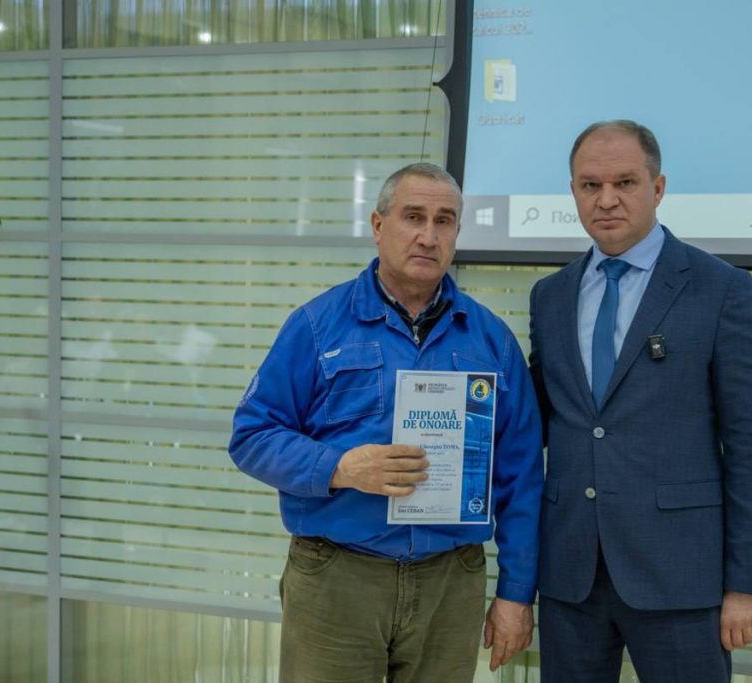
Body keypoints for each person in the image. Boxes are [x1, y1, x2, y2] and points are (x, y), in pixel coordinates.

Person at [229, 162, 543, 682]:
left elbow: (522, 475)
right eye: (413, 217)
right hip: (338, 578)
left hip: (450, 582)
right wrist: (340, 467)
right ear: (379, 226)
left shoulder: (492, 341)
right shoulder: (316, 326)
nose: (428, 236)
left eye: (444, 221)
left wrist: (515, 592)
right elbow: (252, 435)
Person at [528, 120, 752, 681]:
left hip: (681, 580)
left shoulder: (721, 290)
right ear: (573, 191)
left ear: (658, 188)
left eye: (625, 182)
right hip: (571, 576)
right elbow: (539, 421)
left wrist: (746, 585)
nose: (607, 200)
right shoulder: (550, 296)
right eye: (590, 185)